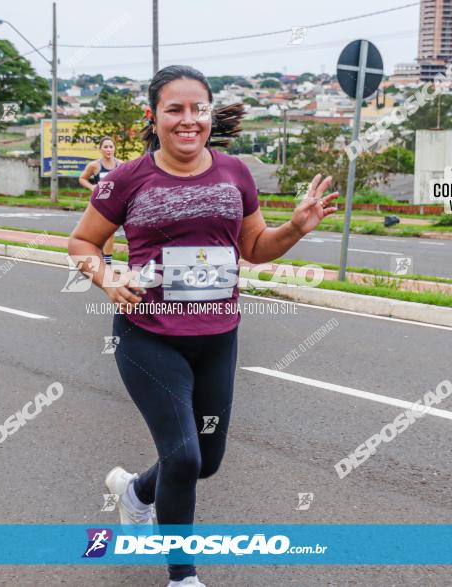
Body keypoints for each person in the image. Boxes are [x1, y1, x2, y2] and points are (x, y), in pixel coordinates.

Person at [68, 65, 338, 587]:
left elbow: (256, 249)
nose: (188, 120)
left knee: (205, 460)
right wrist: (107, 280)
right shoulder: (128, 178)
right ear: (154, 117)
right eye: (175, 109)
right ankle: (182, 575)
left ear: (210, 114)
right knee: (184, 454)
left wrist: (296, 229)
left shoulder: (235, 172)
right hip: (148, 336)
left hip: (217, 338)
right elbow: (83, 243)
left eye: (198, 109)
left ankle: (135, 492)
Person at [79, 137, 121, 265]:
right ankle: (93, 255)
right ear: (100, 149)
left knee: (110, 232)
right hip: (100, 203)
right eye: (105, 147)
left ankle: (107, 262)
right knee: (96, 233)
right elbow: (82, 178)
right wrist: (92, 187)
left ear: (114, 148)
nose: (108, 150)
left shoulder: (122, 164)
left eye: (111, 147)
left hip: (115, 203)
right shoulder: (95, 165)